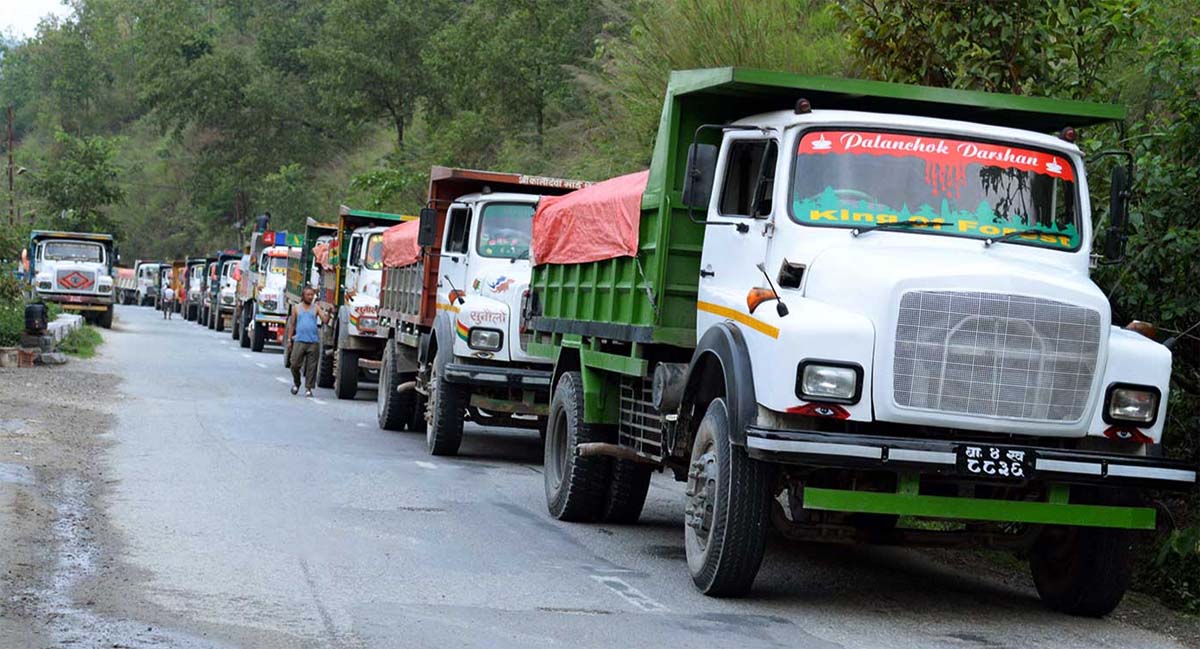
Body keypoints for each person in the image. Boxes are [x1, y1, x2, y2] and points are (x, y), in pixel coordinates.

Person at [286, 286, 329, 397]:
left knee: (311, 367)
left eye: (312, 295)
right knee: (294, 364)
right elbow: (292, 324)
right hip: (299, 340)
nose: (310, 297)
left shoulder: (316, 308)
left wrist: (329, 313)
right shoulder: (296, 308)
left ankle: (308, 388)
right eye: (308, 295)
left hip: (313, 342)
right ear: (303, 296)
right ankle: (297, 383)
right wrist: (289, 339)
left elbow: (325, 320)